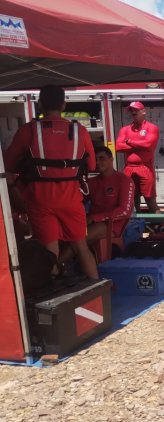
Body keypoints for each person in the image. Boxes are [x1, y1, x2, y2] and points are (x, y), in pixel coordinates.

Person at [3, 85, 98, 280]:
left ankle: (54, 298)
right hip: (71, 199)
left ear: (40, 104)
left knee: (50, 251)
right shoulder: (79, 130)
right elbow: (92, 164)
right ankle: (98, 291)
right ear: (64, 104)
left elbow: (9, 164)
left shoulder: (28, 130)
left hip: (40, 200)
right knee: (81, 247)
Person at [58, 146, 135, 265]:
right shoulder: (91, 182)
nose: (98, 162)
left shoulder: (124, 180)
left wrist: (93, 218)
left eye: (102, 158)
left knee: (78, 240)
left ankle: (52, 269)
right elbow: (78, 201)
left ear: (111, 159)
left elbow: (124, 211)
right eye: (95, 159)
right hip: (90, 223)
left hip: (112, 225)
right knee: (62, 235)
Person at [115, 101, 160, 213]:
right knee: (131, 200)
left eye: (136, 110)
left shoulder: (152, 128)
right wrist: (139, 145)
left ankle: (161, 226)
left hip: (145, 167)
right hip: (129, 168)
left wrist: (129, 141)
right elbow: (118, 147)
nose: (133, 112)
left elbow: (148, 145)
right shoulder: (124, 129)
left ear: (143, 111)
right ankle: (135, 225)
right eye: (131, 110)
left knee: (150, 200)